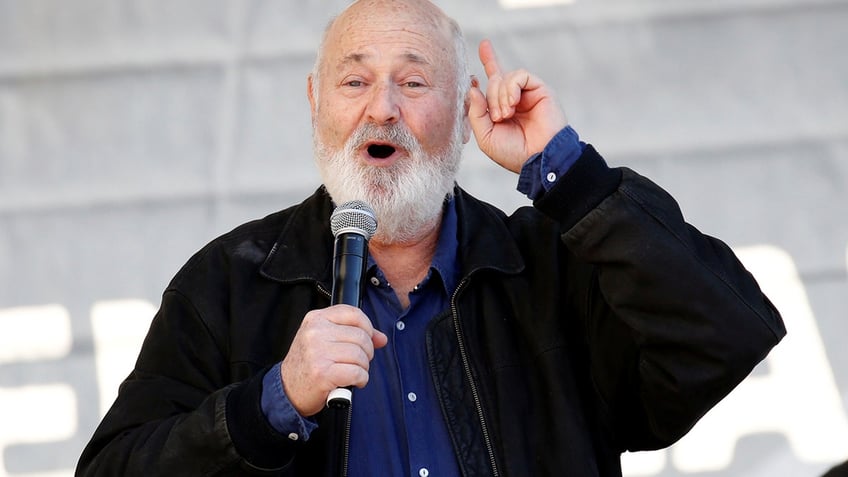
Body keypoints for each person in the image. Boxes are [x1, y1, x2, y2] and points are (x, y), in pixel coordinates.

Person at [76, 0, 785, 475]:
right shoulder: (230, 284)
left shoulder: (552, 269)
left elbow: (727, 332)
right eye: (354, 81)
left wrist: (570, 175)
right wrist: (271, 402)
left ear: (462, 109)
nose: (381, 108)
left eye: (414, 83)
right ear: (315, 103)